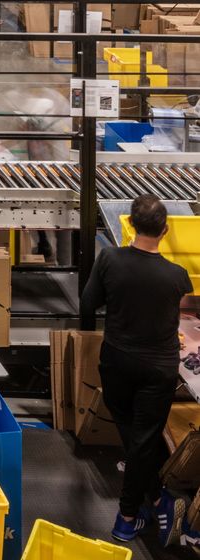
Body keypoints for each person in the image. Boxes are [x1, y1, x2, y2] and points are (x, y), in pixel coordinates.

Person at [80, 195, 192, 544]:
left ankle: (151, 502)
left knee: (135, 436)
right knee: (143, 439)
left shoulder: (110, 259)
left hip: (117, 362)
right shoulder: (177, 276)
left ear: (129, 224)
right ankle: (132, 512)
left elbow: (87, 304)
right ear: (166, 230)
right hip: (157, 369)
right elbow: (182, 317)